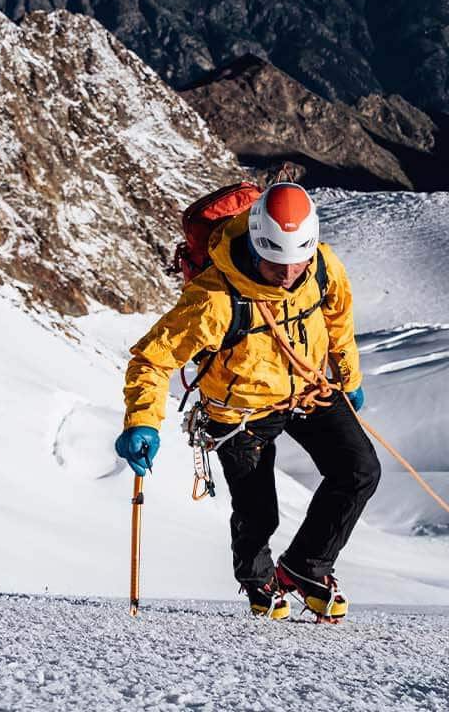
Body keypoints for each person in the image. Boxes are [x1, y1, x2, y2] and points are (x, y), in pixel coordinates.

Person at [113, 182, 378, 621]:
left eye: (298, 261)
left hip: (305, 388)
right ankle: (259, 582)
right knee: (258, 512)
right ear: (257, 246)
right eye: (277, 262)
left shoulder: (322, 266)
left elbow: (338, 315)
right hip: (239, 411)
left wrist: (348, 378)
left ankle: (306, 565)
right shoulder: (215, 300)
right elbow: (152, 359)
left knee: (359, 470)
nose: (289, 272)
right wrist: (142, 420)